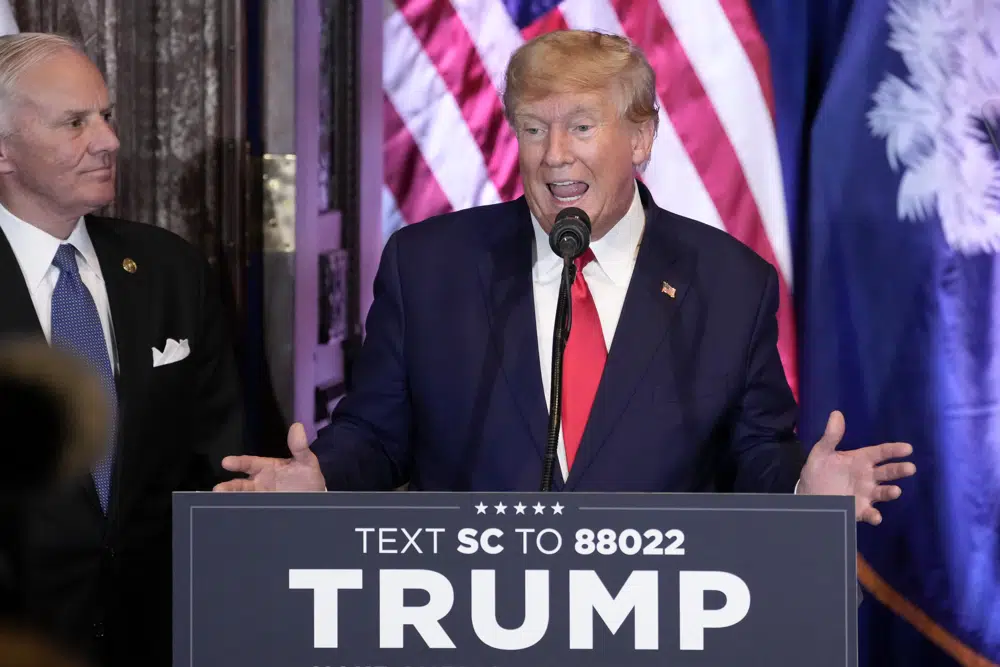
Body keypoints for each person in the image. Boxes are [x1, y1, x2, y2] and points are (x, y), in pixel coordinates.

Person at [217, 30, 915, 526]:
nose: (554, 156)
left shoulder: (730, 282)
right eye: (532, 129)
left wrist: (800, 486)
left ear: (641, 138)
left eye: (581, 127)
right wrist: (325, 478)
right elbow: (376, 432)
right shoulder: (428, 266)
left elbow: (754, 449)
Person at [0, 33, 244, 667]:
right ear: (3, 150)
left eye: (106, 116)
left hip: (163, 633)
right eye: (75, 122)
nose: (108, 140)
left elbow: (221, 456)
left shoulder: (170, 269)